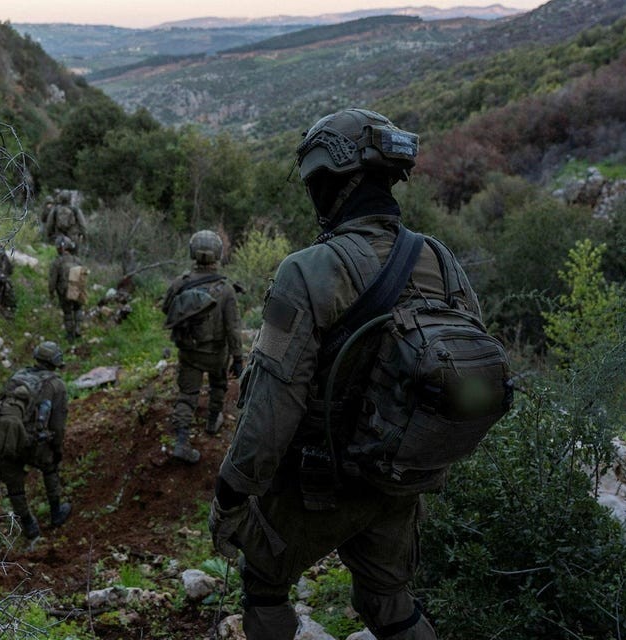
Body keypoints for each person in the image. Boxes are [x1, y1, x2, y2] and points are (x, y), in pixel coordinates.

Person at [209, 108, 482, 639]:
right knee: (389, 601)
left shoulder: (307, 270)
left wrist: (232, 494)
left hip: (319, 484)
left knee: (264, 586)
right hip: (401, 479)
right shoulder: (441, 259)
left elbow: (271, 406)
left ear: (326, 181)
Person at [162, 230, 243, 463]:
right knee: (218, 384)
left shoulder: (180, 283)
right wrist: (238, 357)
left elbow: (167, 310)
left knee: (187, 395)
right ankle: (213, 421)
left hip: (189, 353)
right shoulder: (226, 289)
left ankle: (181, 442)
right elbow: (233, 328)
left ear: (192, 252)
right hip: (216, 354)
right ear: (218, 254)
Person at [0, 341, 72, 540]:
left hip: (11, 439)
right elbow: (58, 425)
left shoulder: (17, 377)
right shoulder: (56, 385)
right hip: (36, 443)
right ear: (55, 362)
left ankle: (28, 524)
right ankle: (56, 513)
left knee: (14, 484)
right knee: (50, 468)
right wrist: (57, 448)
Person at [48, 234, 87, 341]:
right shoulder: (77, 260)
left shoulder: (57, 262)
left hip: (64, 291)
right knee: (78, 308)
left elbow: (52, 280)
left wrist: (51, 292)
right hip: (78, 289)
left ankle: (70, 335)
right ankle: (78, 328)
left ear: (60, 248)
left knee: (68, 312)